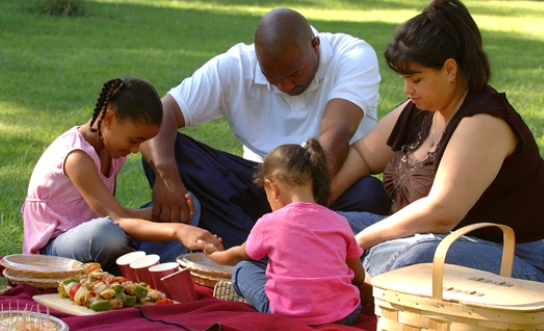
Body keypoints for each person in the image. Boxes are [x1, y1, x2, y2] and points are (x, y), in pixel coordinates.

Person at [332, 0, 544, 286]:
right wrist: (315, 206)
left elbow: (442, 213)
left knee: (411, 257)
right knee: (321, 229)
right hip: (431, 239)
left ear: (450, 69)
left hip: (519, 261)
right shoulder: (419, 108)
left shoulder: (484, 122)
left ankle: (339, 284)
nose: (407, 90)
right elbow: (363, 156)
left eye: (415, 78)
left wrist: (361, 241)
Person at [140, 8, 392, 249]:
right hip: (260, 184)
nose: (284, 86)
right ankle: (259, 244)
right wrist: (167, 179)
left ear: (315, 46)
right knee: (168, 150)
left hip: (322, 187)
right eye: (272, 78)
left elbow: (336, 134)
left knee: (370, 194)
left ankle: (255, 242)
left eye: (294, 74)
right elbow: (162, 114)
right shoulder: (236, 65)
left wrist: (298, 207)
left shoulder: (352, 55)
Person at [22, 78, 222, 275]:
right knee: (108, 234)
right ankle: (140, 269)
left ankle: (152, 270)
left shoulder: (112, 150)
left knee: (185, 207)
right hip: (54, 249)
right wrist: (177, 230)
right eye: (134, 140)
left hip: (101, 229)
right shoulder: (77, 157)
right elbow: (117, 220)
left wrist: (169, 213)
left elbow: (115, 214)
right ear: (109, 119)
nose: (135, 149)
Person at [202, 138, 367, 326]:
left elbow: (238, 255)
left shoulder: (269, 223)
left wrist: (214, 254)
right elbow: (358, 276)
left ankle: (250, 296)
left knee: (243, 269)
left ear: (272, 188)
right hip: (345, 315)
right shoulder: (339, 222)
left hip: (289, 316)